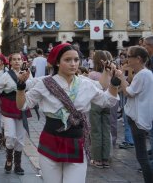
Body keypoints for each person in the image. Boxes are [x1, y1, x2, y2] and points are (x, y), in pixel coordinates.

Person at [16, 43, 120, 183]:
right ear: (57, 62)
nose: (73, 64)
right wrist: (21, 86)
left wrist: (114, 83)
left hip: (77, 142)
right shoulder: (45, 83)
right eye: (67, 60)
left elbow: (107, 101)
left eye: (76, 60)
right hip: (51, 142)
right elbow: (23, 105)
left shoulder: (85, 83)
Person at [117, 46, 153, 182]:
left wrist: (121, 76)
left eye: (129, 56)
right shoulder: (145, 73)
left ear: (138, 59)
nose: (127, 59)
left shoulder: (143, 74)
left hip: (138, 118)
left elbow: (128, 92)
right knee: (142, 155)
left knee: (142, 156)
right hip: (141, 117)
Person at [0, 52, 32, 175]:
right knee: (10, 136)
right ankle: (9, 159)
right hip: (8, 108)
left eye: (19, 59)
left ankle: (18, 164)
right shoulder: (5, 75)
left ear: (22, 61)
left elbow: (32, 88)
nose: (17, 61)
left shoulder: (27, 74)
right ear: (10, 62)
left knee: (21, 137)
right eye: (14, 59)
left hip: (22, 107)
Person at [87, 51, 112, 168]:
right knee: (106, 130)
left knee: (96, 131)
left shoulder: (92, 74)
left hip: (95, 103)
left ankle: (97, 159)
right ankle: (106, 158)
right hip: (107, 102)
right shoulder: (110, 73)